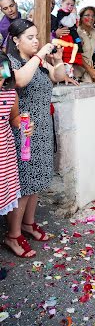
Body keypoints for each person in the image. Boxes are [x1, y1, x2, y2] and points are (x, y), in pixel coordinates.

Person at [4, 19, 67, 257]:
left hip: (42, 129)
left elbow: (59, 76)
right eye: (30, 37)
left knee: (38, 181)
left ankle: (28, 224)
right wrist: (39, 54)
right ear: (16, 40)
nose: (35, 41)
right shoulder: (11, 62)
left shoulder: (39, 64)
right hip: (23, 130)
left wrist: (57, 59)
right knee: (24, 184)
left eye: (37, 37)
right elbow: (19, 81)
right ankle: (12, 234)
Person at [0, 52, 33, 219]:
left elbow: (13, 117)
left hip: (4, 156)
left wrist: (23, 125)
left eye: (2, 78)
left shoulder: (9, 94)